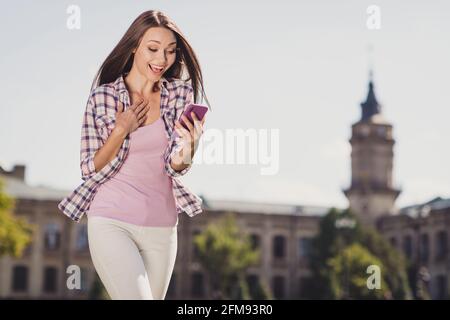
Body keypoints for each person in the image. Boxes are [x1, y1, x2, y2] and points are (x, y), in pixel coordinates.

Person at [57, 9, 211, 299]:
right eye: (153, 49)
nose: (162, 59)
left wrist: (191, 146)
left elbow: (176, 166)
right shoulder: (103, 97)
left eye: (169, 51)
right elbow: (90, 167)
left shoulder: (179, 94)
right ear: (133, 47)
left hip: (162, 226)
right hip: (112, 220)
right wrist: (121, 129)